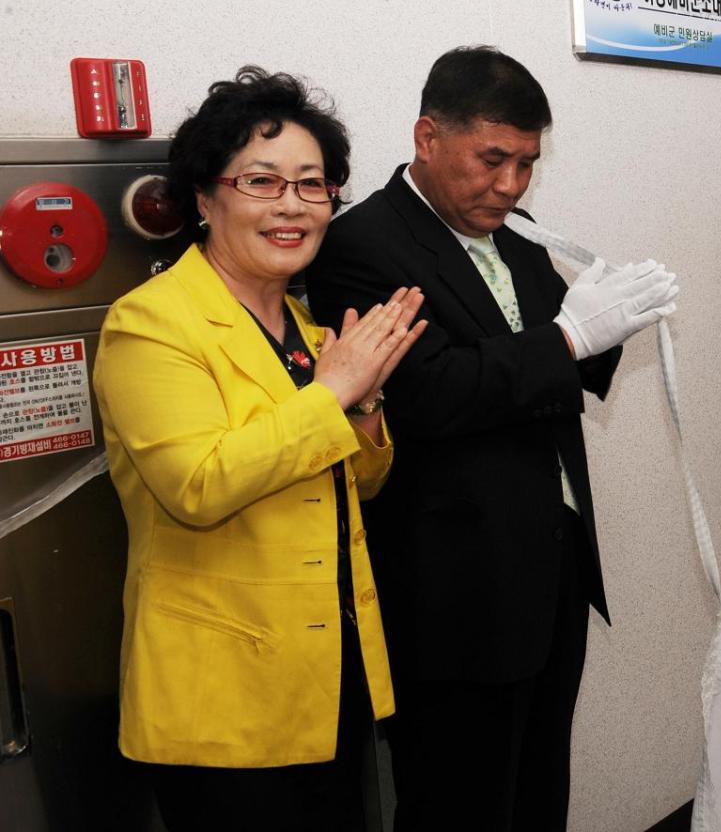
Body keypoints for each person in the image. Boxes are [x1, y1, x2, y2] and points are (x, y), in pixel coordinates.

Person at [305, 46, 677, 831]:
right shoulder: (362, 246)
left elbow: (552, 369)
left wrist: (613, 320)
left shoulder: (518, 231)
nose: (510, 185)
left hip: (552, 557)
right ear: (427, 137)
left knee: (542, 783)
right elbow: (427, 395)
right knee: (459, 802)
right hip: (454, 587)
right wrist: (573, 337)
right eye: (492, 159)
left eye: (527, 164)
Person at [93, 67, 425, 831]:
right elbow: (198, 486)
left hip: (325, 675)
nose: (292, 206)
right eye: (263, 182)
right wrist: (334, 393)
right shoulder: (150, 324)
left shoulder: (311, 336)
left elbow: (357, 485)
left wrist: (366, 398)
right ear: (205, 200)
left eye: (314, 185)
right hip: (221, 700)